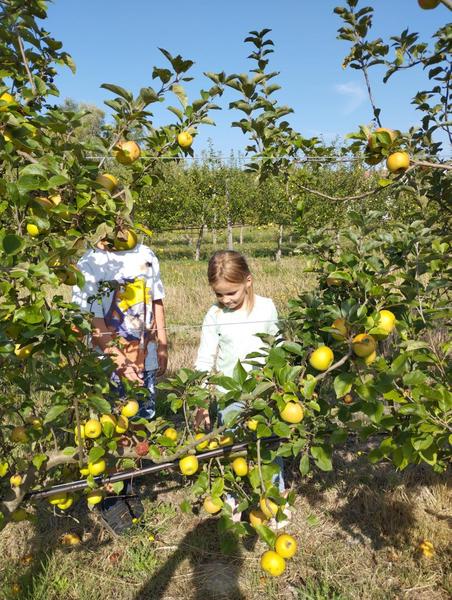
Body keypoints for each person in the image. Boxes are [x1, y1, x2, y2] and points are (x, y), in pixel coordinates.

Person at [72, 231, 168, 534]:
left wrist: (162, 343)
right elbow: (92, 321)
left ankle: (127, 482)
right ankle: (111, 496)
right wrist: (119, 360)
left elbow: (156, 301)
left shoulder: (145, 255)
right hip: (106, 363)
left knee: (138, 419)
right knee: (109, 423)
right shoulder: (91, 263)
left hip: (144, 355)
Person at [195, 251, 286, 521]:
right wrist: (201, 403)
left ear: (248, 281)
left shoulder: (267, 308)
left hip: (263, 394)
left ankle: (276, 499)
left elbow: (277, 348)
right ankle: (234, 498)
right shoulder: (214, 315)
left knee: (269, 447)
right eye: (219, 294)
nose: (225, 300)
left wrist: (279, 384)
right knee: (232, 449)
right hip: (229, 396)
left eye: (230, 293)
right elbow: (204, 359)